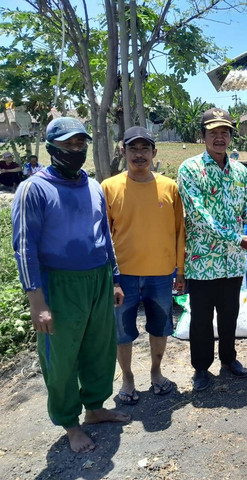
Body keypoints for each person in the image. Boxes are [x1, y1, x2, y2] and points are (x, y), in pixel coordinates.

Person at [11, 117, 129, 453]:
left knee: (99, 348)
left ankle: (94, 409)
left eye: (80, 144)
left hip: (99, 279)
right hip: (59, 283)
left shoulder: (93, 186)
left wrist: (115, 279)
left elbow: (105, 237)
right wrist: (37, 301)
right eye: (67, 144)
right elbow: (24, 248)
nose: (75, 150)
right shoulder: (33, 189)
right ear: (50, 147)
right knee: (61, 357)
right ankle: (69, 422)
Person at [177, 107, 247, 391]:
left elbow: (244, 207)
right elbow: (199, 216)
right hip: (203, 261)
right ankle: (201, 368)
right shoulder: (190, 169)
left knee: (229, 315)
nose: (219, 137)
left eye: (225, 132)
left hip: (233, 262)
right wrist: (238, 238)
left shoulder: (240, 170)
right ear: (202, 135)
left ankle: (229, 359)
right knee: (201, 318)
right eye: (213, 132)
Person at [101, 126, 186, 405]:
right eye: (133, 149)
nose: (139, 155)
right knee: (122, 332)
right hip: (122, 275)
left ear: (154, 152)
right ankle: (126, 378)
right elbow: (103, 236)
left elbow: (179, 232)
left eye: (145, 149)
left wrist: (180, 271)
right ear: (123, 151)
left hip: (161, 274)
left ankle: (156, 373)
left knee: (160, 327)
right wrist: (110, 278)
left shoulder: (169, 187)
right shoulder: (109, 187)